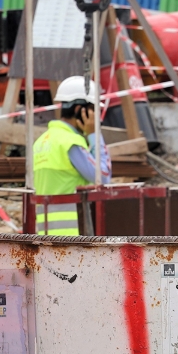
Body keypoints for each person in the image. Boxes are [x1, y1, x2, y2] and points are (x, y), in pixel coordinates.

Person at [31, 76, 112, 235]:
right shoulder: (70, 143)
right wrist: (95, 135)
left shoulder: (41, 142)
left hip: (46, 235)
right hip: (72, 236)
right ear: (80, 111)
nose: (96, 119)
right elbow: (103, 176)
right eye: (93, 112)